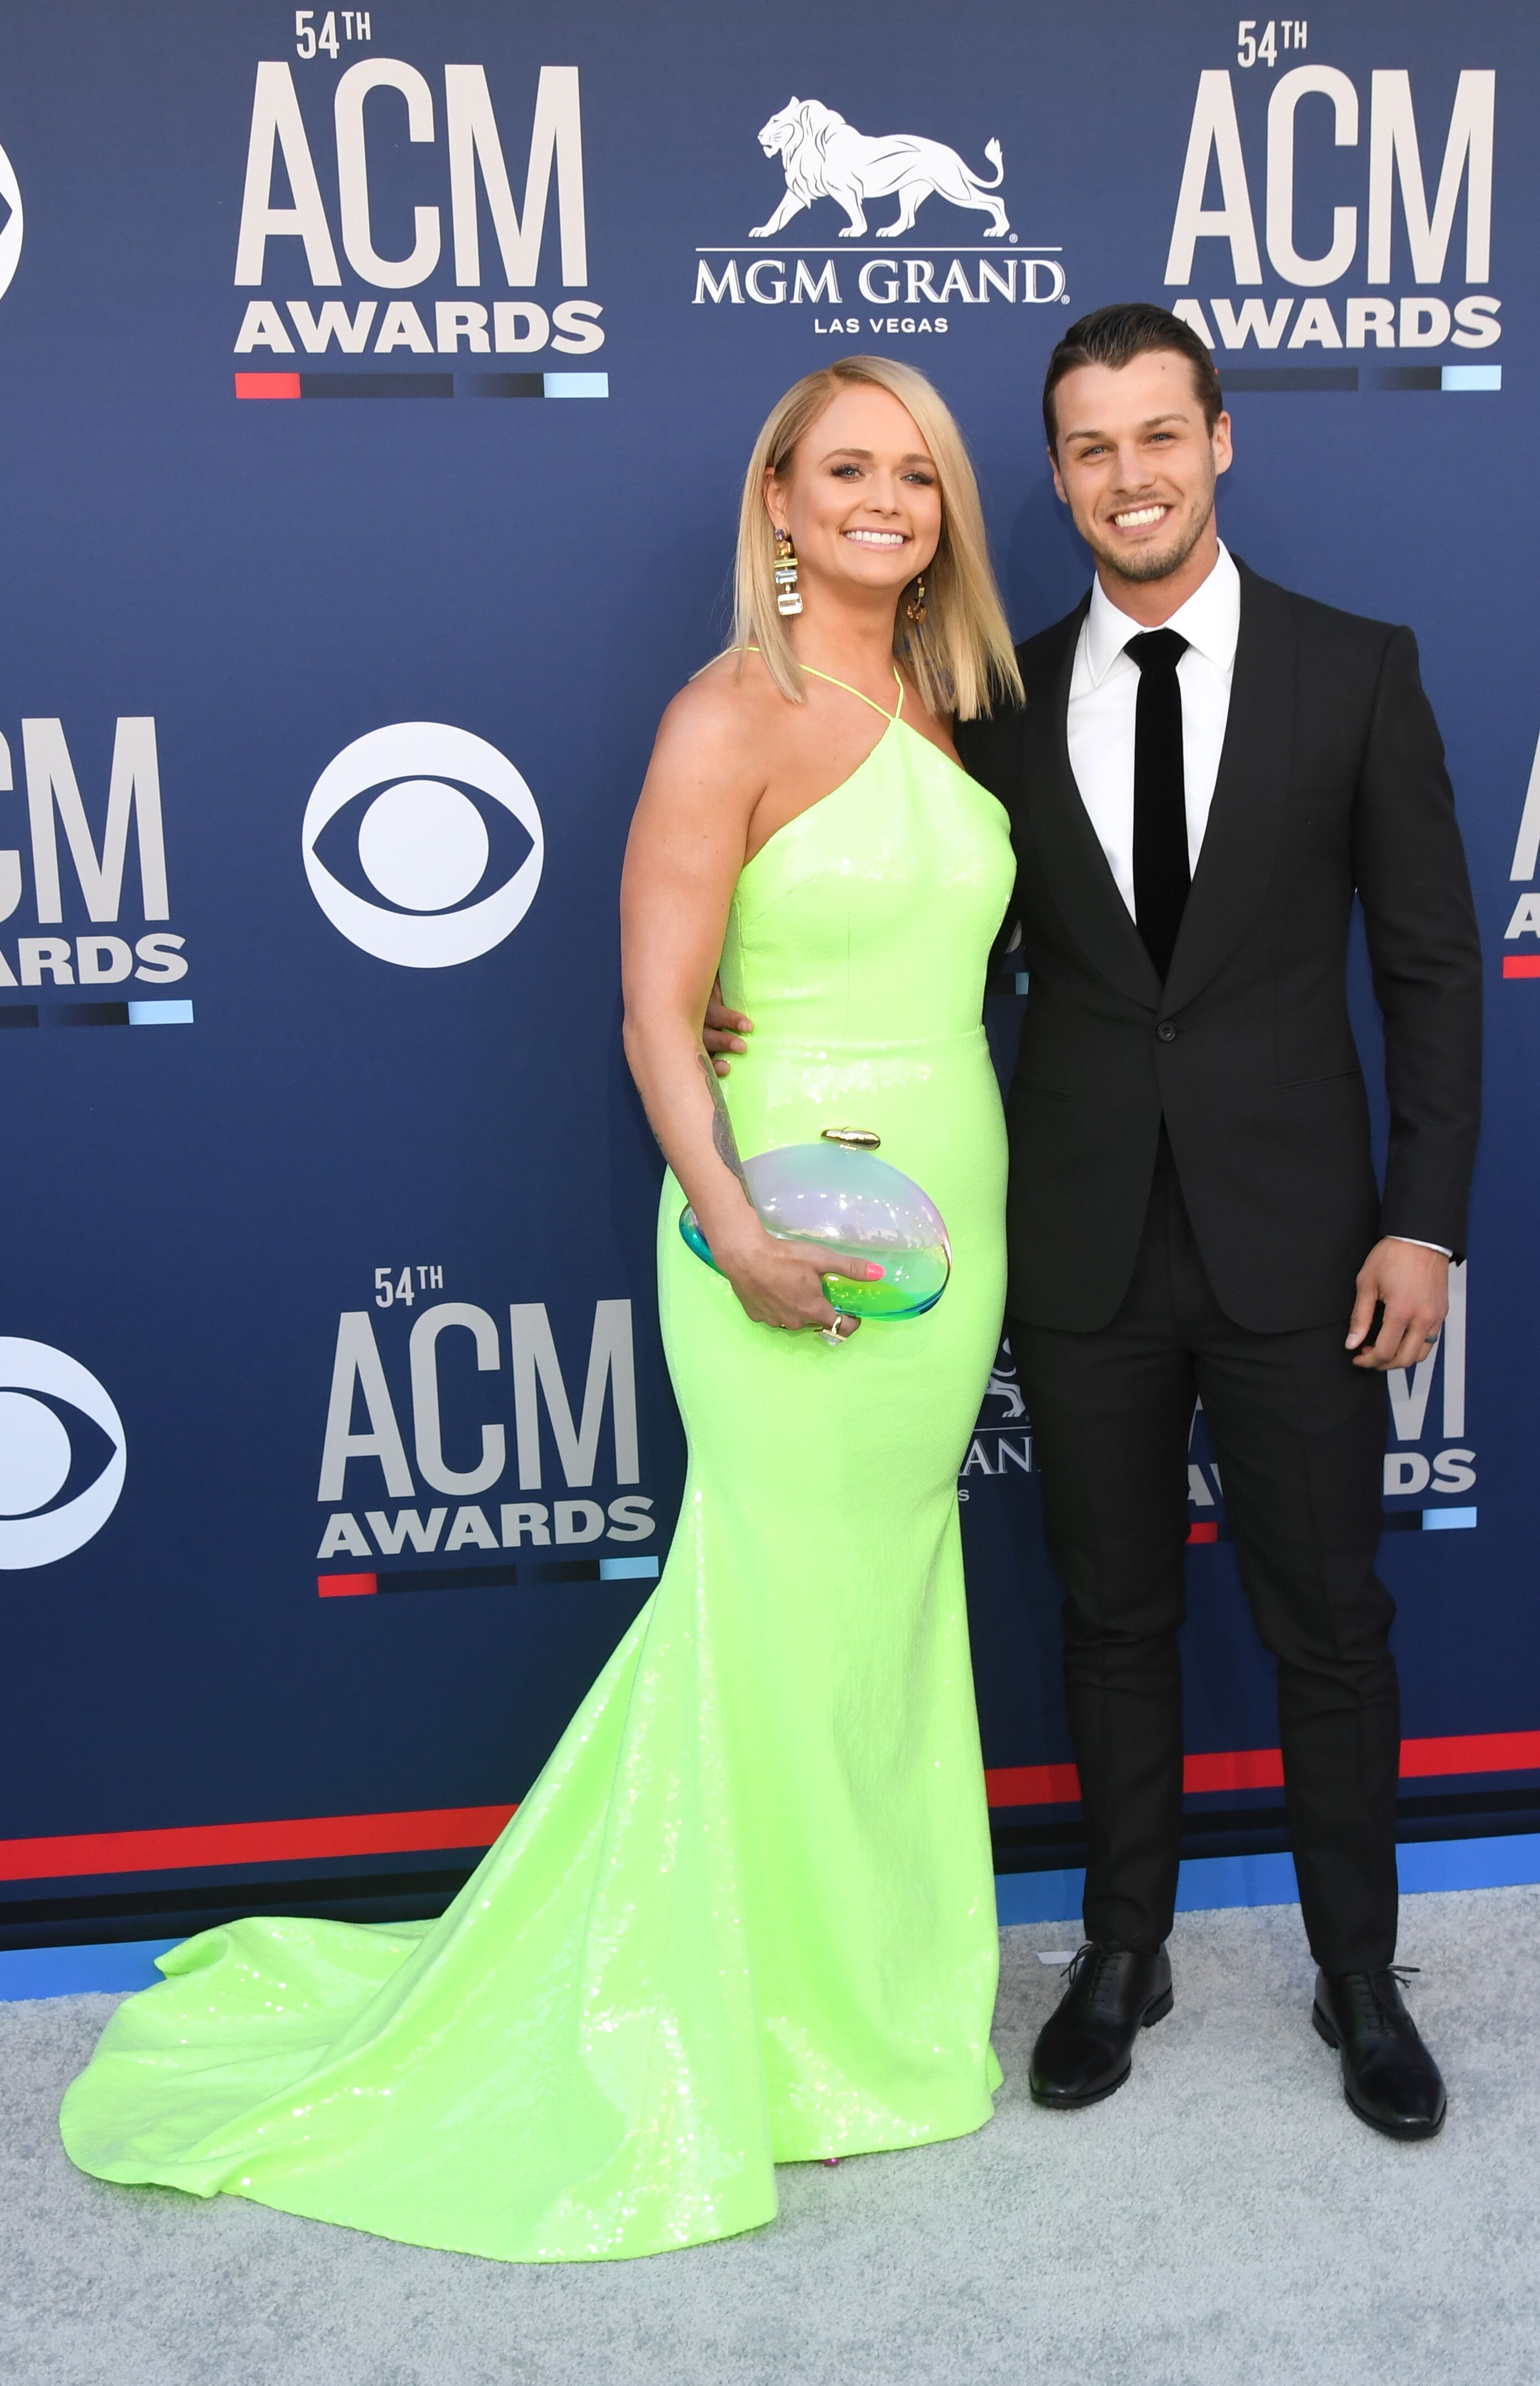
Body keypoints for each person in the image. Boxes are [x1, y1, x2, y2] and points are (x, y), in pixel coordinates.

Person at [58, 356, 1023, 2260]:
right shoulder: (722, 718)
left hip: (950, 1230)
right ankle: (738, 2014)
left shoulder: (960, 700)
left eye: (915, 474)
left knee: (886, 1602)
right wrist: (732, 1220)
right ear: (777, 498)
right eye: (846, 470)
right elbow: (660, 1011)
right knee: (761, 1597)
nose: (885, 502)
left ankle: (866, 2010)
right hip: (774, 1224)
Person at [955, 303, 1483, 2140]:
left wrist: (1424, 1220)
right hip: (1083, 1240)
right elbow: (917, 936)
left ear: (1221, 440)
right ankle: (1126, 1948)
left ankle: (1358, 1975)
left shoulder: (1356, 670)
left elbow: (1430, 969)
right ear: (1060, 473)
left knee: (1331, 1621)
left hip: (1305, 1242)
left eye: (1158, 437)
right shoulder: (997, 702)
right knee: (1110, 1620)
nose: (1130, 477)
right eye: (1091, 448)